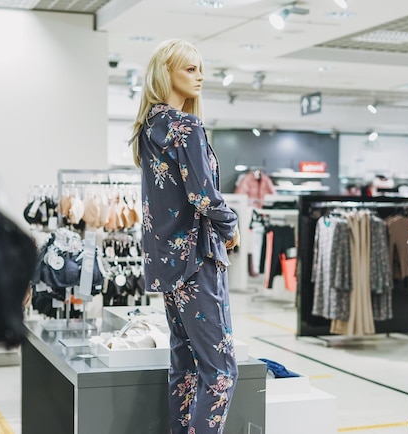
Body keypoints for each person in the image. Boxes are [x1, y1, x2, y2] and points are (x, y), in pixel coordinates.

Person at [130, 38, 240, 434]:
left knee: (186, 368)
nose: (200, 77)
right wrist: (231, 225)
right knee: (221, 373)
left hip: (168, 263)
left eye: (200, 69)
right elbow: (204, 196)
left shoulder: (149, 128)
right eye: (190, 69)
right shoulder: (186, 125)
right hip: (197, 260)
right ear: (167, 73)